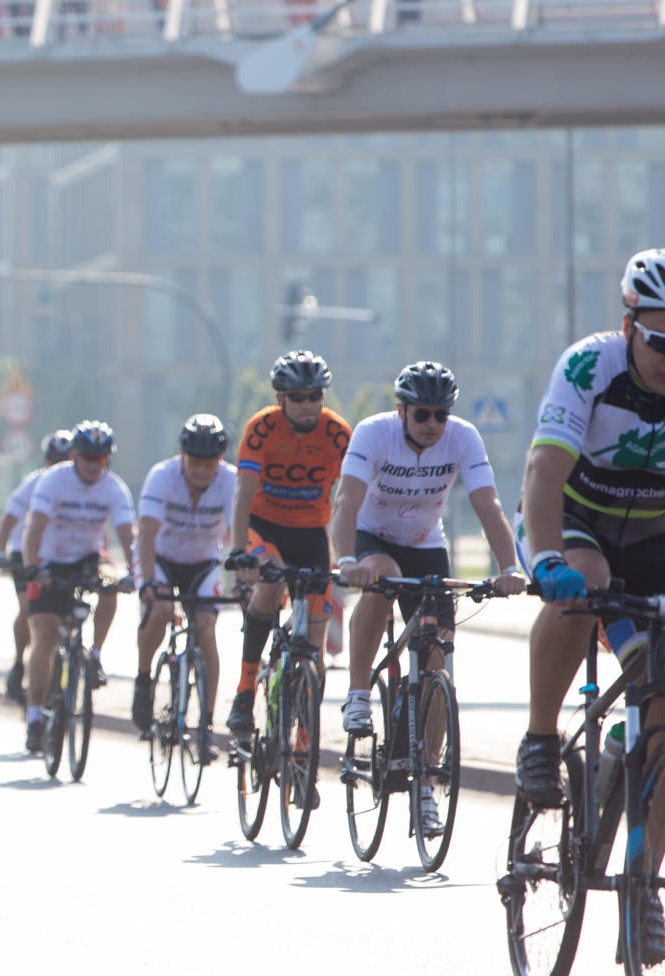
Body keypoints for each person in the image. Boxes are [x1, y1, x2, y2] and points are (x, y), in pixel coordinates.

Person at [332, 361, 524, 831]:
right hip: (371, 541)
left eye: (441, 414)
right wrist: (345, 560)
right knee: (383, 577)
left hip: (425, 544)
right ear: (401, 411)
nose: (433, 424)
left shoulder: (463, 437)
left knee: (437, 661)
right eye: (423, 415)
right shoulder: (373, 434)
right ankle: (359, 692)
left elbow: (488, 506)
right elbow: (345, 502)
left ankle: (425, 787)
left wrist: (510, 567)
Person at [515, 249, 665, 814]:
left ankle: (643, 896)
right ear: (628, 327)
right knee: (586, 578)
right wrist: (547, 557)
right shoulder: (589, 366)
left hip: (651, 538)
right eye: (660, 343)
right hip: (574, 520)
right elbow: (545, 470)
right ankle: (541, 739)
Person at [224, 351, 351, 738]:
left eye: (315, 395)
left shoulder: (337, 433)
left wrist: (353, 551)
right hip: (265, 526)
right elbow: (243, 492)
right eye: (298, 397)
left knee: (314, 648)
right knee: (270, 580)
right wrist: (237, 549)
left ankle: (304, 745)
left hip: (312, 532)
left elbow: (353, 493)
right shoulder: (262, 428)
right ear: (280, 399)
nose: (308, 404)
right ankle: (245, 690)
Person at [20, 421, 137, 753]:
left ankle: (95, 656)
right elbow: (34, 527)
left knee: (111, 584)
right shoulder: (53, 481)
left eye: (100, 460)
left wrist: (138, 574)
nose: (92, 465)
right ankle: (33, 717)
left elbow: (129, 536)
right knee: (44, 634)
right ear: (74, 455)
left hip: (88, 557)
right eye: (86, 457)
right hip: (49, 561)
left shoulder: (113, 487)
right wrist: (33, 568)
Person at [132, 414, 235, 743]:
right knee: (160, 611)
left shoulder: (230, 480)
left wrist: (245, 578)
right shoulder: (162, 476)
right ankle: (144, 679)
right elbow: (146, 533)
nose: (202, 470)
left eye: (209, 463)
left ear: (220, 460)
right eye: (195, 462)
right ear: (182, 457)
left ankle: (205, 724)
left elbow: (238, 536)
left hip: (203, 561)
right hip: (161, 557)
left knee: (205, 628)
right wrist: (148, 582)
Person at [0, 430, 73, 704]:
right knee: (28, 610)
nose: (60, 467)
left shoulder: (81, 484)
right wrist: (0, 552)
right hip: (25, 552)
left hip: (61, 555)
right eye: (55, 461)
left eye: (67, 460)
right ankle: (18, 663)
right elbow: (8, 519)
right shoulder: (34, 482)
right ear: (45, 461)